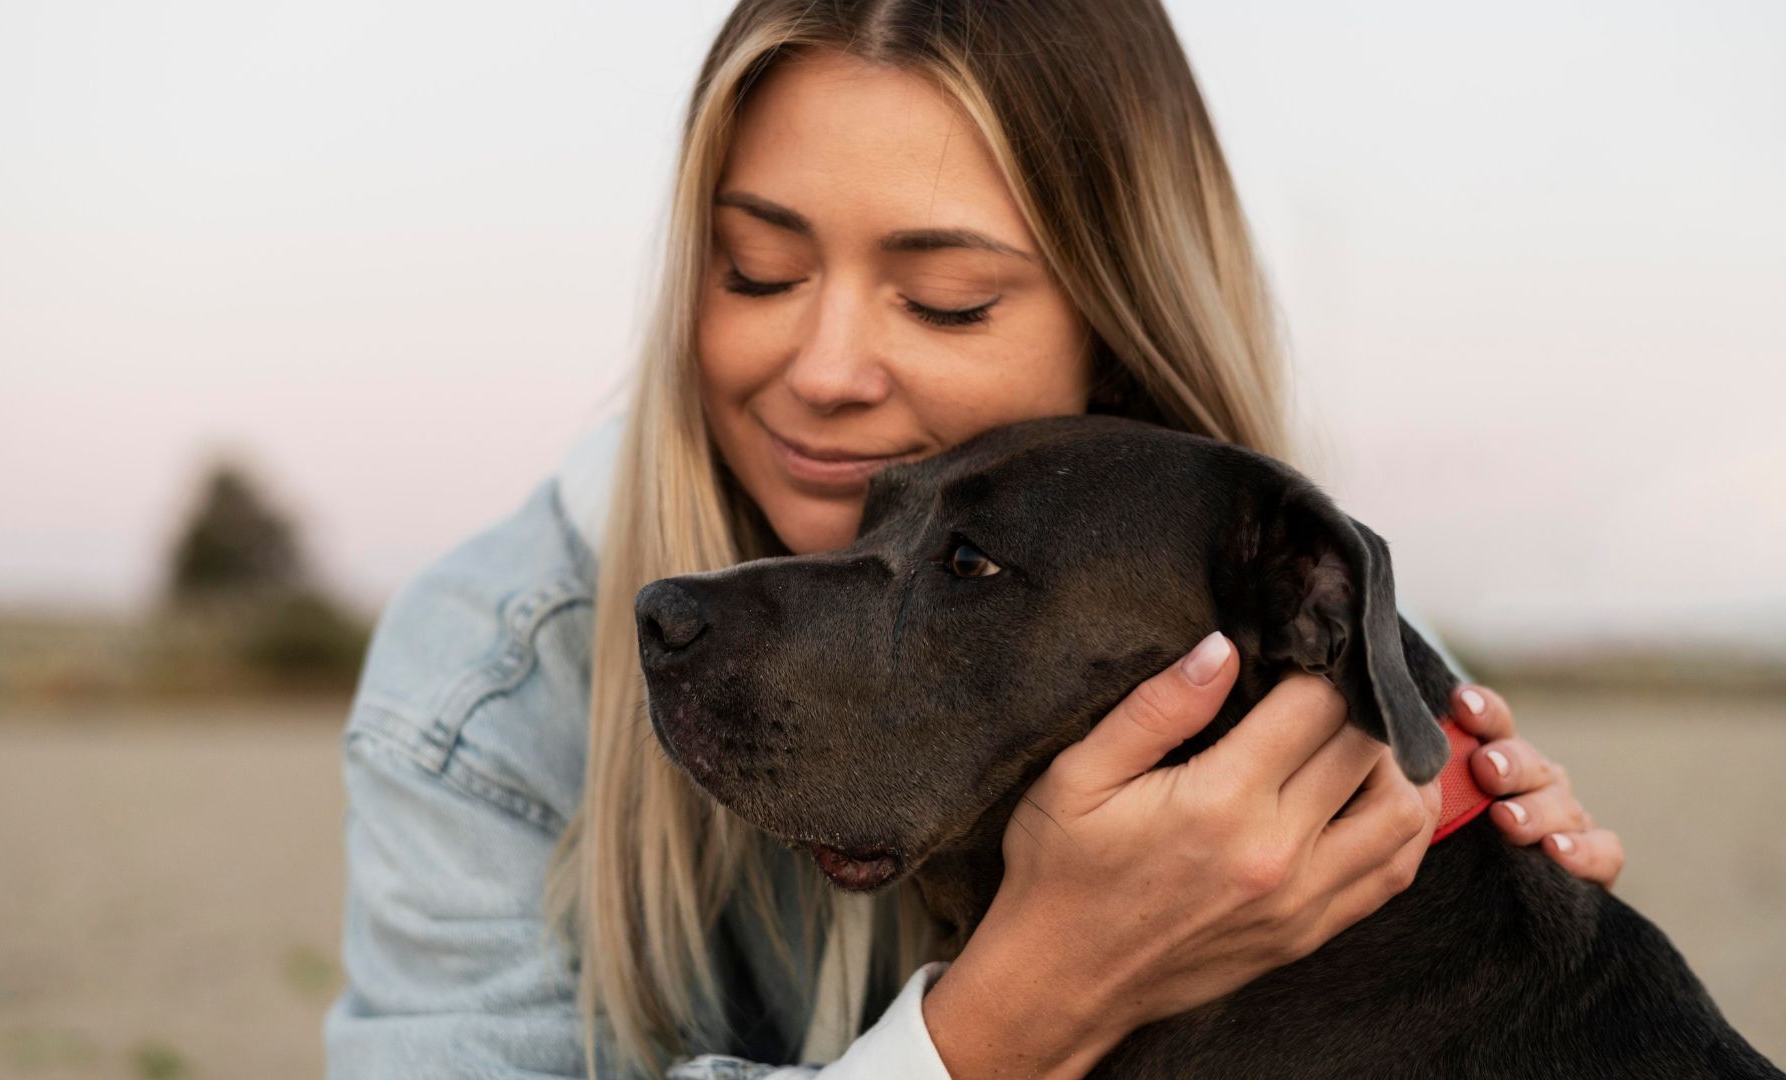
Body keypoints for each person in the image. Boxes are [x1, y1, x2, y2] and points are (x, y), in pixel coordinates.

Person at [324, 2, 1624, 1077]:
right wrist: (1010, 1017)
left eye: (945, 302)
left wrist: (1492, 880)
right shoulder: (484, 688)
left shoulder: (1272, 601)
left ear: (1117, 330)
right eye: (756, 272)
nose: (825, 370)